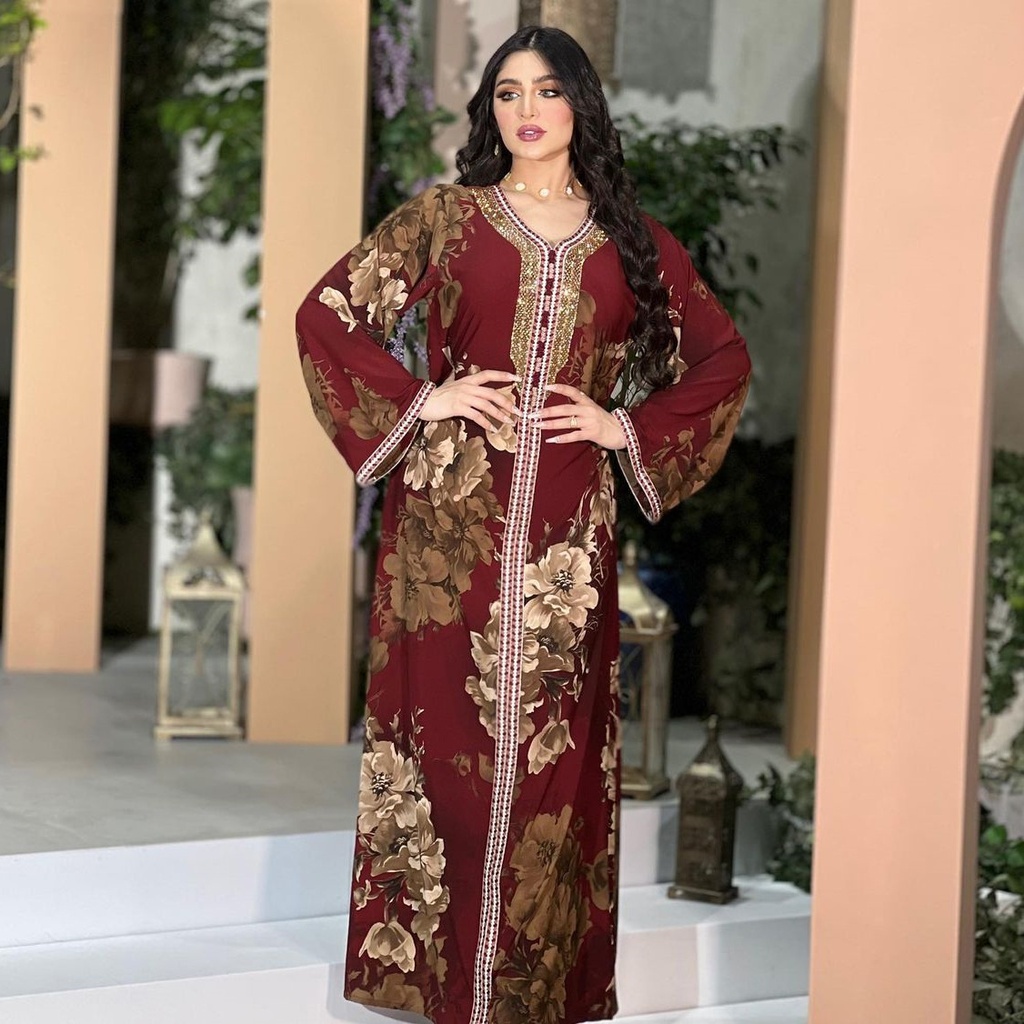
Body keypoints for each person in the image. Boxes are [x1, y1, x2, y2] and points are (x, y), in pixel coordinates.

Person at [295, 24, 751, 1024]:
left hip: (564, 546)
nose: (527, 110)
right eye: (507, 92)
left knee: (549, 769)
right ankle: (443, 986)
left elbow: (721, 359)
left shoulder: (632, 242)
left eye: (547, 90)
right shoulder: (446, 220)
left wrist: (621, 424)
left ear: (581, 103)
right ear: (489, 110)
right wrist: (428, 399)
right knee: (444, 767)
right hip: (445, 534)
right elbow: (328, 315)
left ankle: (525, 995)